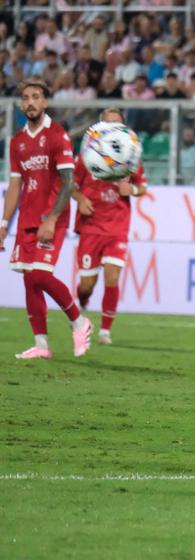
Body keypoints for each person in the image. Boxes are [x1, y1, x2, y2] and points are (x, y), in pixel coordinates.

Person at [1, 78, 92, 358]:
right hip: (27, 218)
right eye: (26, 97)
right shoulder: (17, 142)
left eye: (36, 97)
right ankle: (41, 345)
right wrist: (4, 224)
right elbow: (15, 185)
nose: (30, 102)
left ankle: (79, 321)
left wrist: (51, 219)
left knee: (40, 274)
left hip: (52, 217)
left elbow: (68, 182)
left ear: (45, 102)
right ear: (21, 104)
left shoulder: (57, 136)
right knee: (30, 280)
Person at [72, 108, 148, 345]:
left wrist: (131, 189)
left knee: (112, 277)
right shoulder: (86, 156)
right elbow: (69, 185)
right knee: (87, 285)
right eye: (108, 122)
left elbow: (142, 187)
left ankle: (105, 331)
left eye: (117, 123)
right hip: (91, 226)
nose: (113, 127)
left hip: (117, 226)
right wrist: (80, 199)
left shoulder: (130, 156)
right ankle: (83, 301)